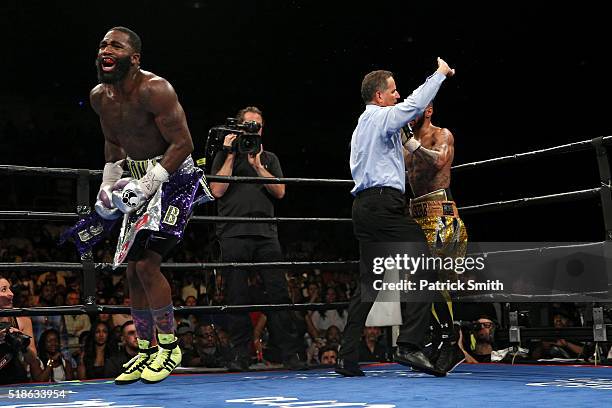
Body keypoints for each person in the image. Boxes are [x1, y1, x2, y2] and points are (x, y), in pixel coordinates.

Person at [79, 26, 212, 385]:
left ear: (134, 58)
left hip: (174, 178)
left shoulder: (156, 89)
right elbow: (112, 142)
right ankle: (145, 350)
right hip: (136, 181)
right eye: (103, 44)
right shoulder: (99, 97)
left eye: (116, 45)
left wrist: (151, 182)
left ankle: (170, 347)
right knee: (132, 269)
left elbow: (183, 143)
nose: (106, 49)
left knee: (148, 265)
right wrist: (108, 183)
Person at [337, 58, 455, 377]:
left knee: (369, 285)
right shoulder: (381, 118)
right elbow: (416, 103)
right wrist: (440, 75)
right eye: (392, 91)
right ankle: (409, 345)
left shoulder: (367, 123)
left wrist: (429, 156)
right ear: (379, 96)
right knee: (425, 266)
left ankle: (346, 355)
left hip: (364, 208)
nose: (397, 94)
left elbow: (409, 142)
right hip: (382, 206)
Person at [210, 106, 305, 371]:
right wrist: (230, 154)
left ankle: (289, 353)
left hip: (265, 234)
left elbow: (280, 192)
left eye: (258, 126)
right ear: (238, 128)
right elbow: (217, 190)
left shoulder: (269, 158)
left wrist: (257, 166)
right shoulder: (223, 155)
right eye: (249, 125)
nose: (254, 130)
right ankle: (240, 355)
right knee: (236, 295)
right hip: (233, 233)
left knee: (278, 294)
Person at [403, 102, 468, 373]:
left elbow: (440, 160)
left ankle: (449, 342)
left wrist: (412, 145)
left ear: (428, 110)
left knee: (434, 282)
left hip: (440, 213)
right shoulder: (406, 144)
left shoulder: (442, 134)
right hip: (415, 215)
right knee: (419, 283)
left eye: (416, 109)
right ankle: (442, 340)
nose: (410, 114)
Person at [0, 275, 42, 384]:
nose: (11, 293)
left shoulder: (22, 320)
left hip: (16, 380)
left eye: (10, 288)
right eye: (4, 290)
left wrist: (22, 344)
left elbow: (32, 360)